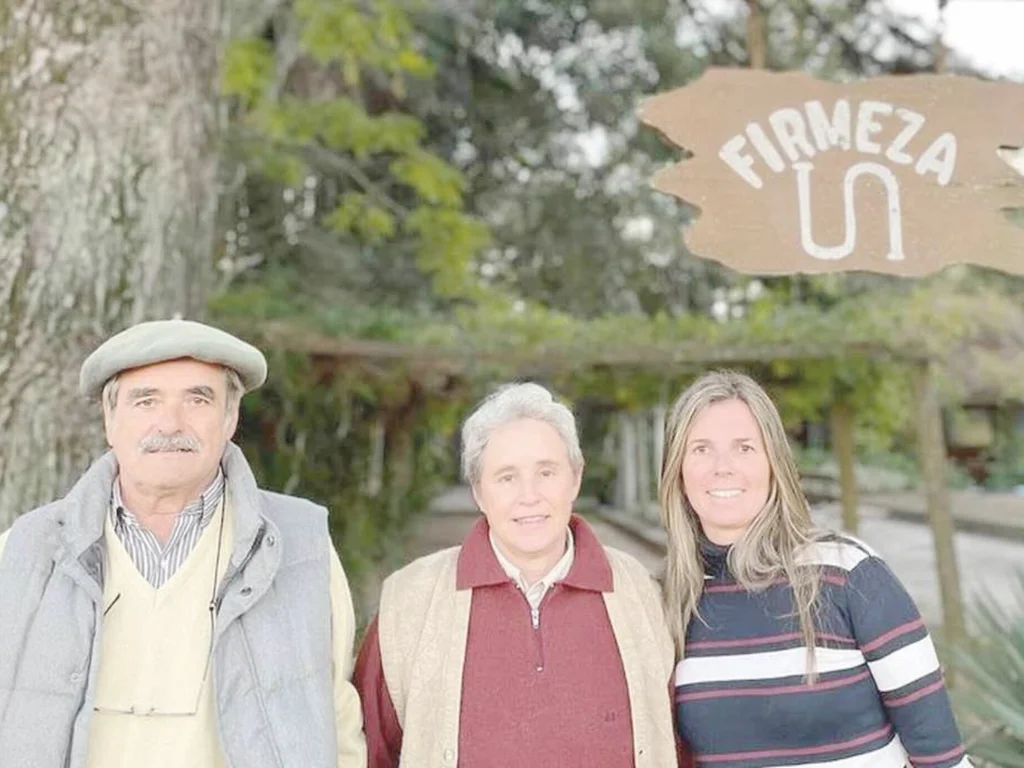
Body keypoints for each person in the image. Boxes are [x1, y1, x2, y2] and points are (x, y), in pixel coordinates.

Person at [0, 319, 366, 768]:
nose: (170, 423)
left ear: (230, 418)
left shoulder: (301, 544)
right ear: (110, 419)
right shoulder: (22, 551)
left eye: (198, 399)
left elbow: (339, 718)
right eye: (145, 400)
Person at [353, 382, 679, 767]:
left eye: (546, 472)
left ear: (575, 478)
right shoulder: (408, 603)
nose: (529, 495)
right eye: (507, 477)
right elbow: (366, 751)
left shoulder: (642, 596)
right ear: (478, 491)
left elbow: (680, 743)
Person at [660, 370, 972, 768]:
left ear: (775, 463)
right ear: (678, 470)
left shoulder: (850, 575)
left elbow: (941, 756)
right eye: (701, 449)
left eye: (744, 448)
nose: (723, 467)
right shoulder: (668, 598)